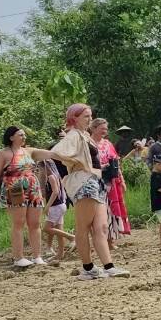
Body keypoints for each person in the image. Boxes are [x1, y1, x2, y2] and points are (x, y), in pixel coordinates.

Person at [51, 104, 129, 280]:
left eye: (90, 116)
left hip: (96, 181)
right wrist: (78, 164)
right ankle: (88, 267)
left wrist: (102, 168)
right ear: (75, 117)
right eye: (86, 116)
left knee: (101, 228)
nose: (89, 119)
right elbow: (57, 152)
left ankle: (108, 266)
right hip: (84, 183)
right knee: (83, 227)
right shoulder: (73, 135)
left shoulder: (85, 135)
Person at [0, 126, 56, 268]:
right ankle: (18, 257)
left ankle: (37, 256)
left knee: (35, 223)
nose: (24, 137)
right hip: (14, 188)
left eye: (24, 135)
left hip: (33, 187)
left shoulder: (29, 151)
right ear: (11, 137)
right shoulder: (3, 153)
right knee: (18, 222)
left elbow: (51, 153)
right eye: (20, 135)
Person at [91, 118, 131, 243]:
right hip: (96, 180)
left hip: (111, 180)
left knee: (112, 209)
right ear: (94, 128)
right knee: (102, 211)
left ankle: (111, 239)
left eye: (106, 129)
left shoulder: (108, 143)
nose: (105, 131)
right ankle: (103, 240)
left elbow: (116, 162)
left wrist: (122, 179)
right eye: (102, 128)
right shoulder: (89, 144)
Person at [38, 158, 74, 262]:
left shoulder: (51, 177)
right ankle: (60, 253)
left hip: (55, 206)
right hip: (59, 205)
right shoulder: (56, 176)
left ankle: (71, 237)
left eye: (40, 169)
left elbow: (55, 192)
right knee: (59, 230)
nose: (40, 171)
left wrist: (47, 206)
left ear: (45, 167)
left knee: (46, 228)